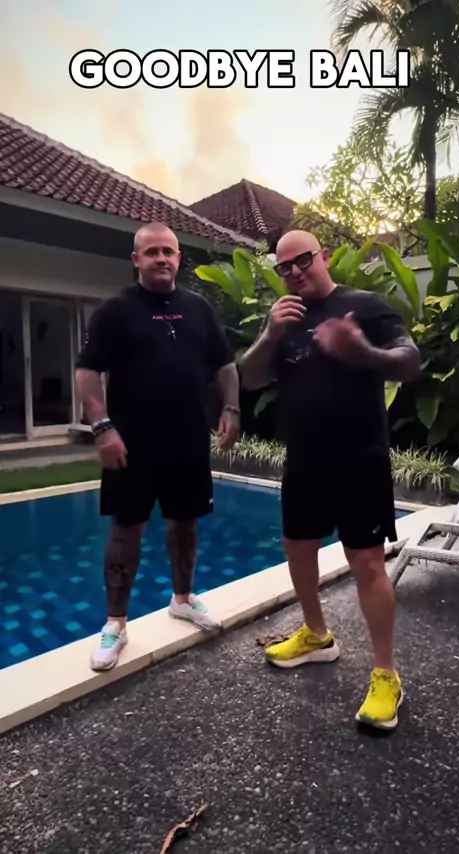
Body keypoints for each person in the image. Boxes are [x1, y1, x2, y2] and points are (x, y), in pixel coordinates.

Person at [239, 230, 421, 730]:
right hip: (305, 459)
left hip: (359, 458)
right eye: (284, 267)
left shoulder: (366, 306)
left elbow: (410, 362)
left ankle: (386, 675)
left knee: (367, 564)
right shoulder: (284, 318)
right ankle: (318, 636)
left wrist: (361, 351)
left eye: (302, 260)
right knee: (298, 548)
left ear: (322, 256)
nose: (295, 271)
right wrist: (270, 334)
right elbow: (250, 377)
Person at [75, 222, 240, 671]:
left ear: (178, 258)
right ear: (136, 259)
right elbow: (87, 372)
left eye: (169, 251)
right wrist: (102, 428)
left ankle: (182, 600)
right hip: (131, 444)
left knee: (185, 523)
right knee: (126, 530)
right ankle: (115, 624)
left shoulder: (198, 309)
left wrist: (231, 408)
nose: (162, 258)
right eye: (152, 252)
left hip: (188, 440)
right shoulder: (115, 311)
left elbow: (225, 365)